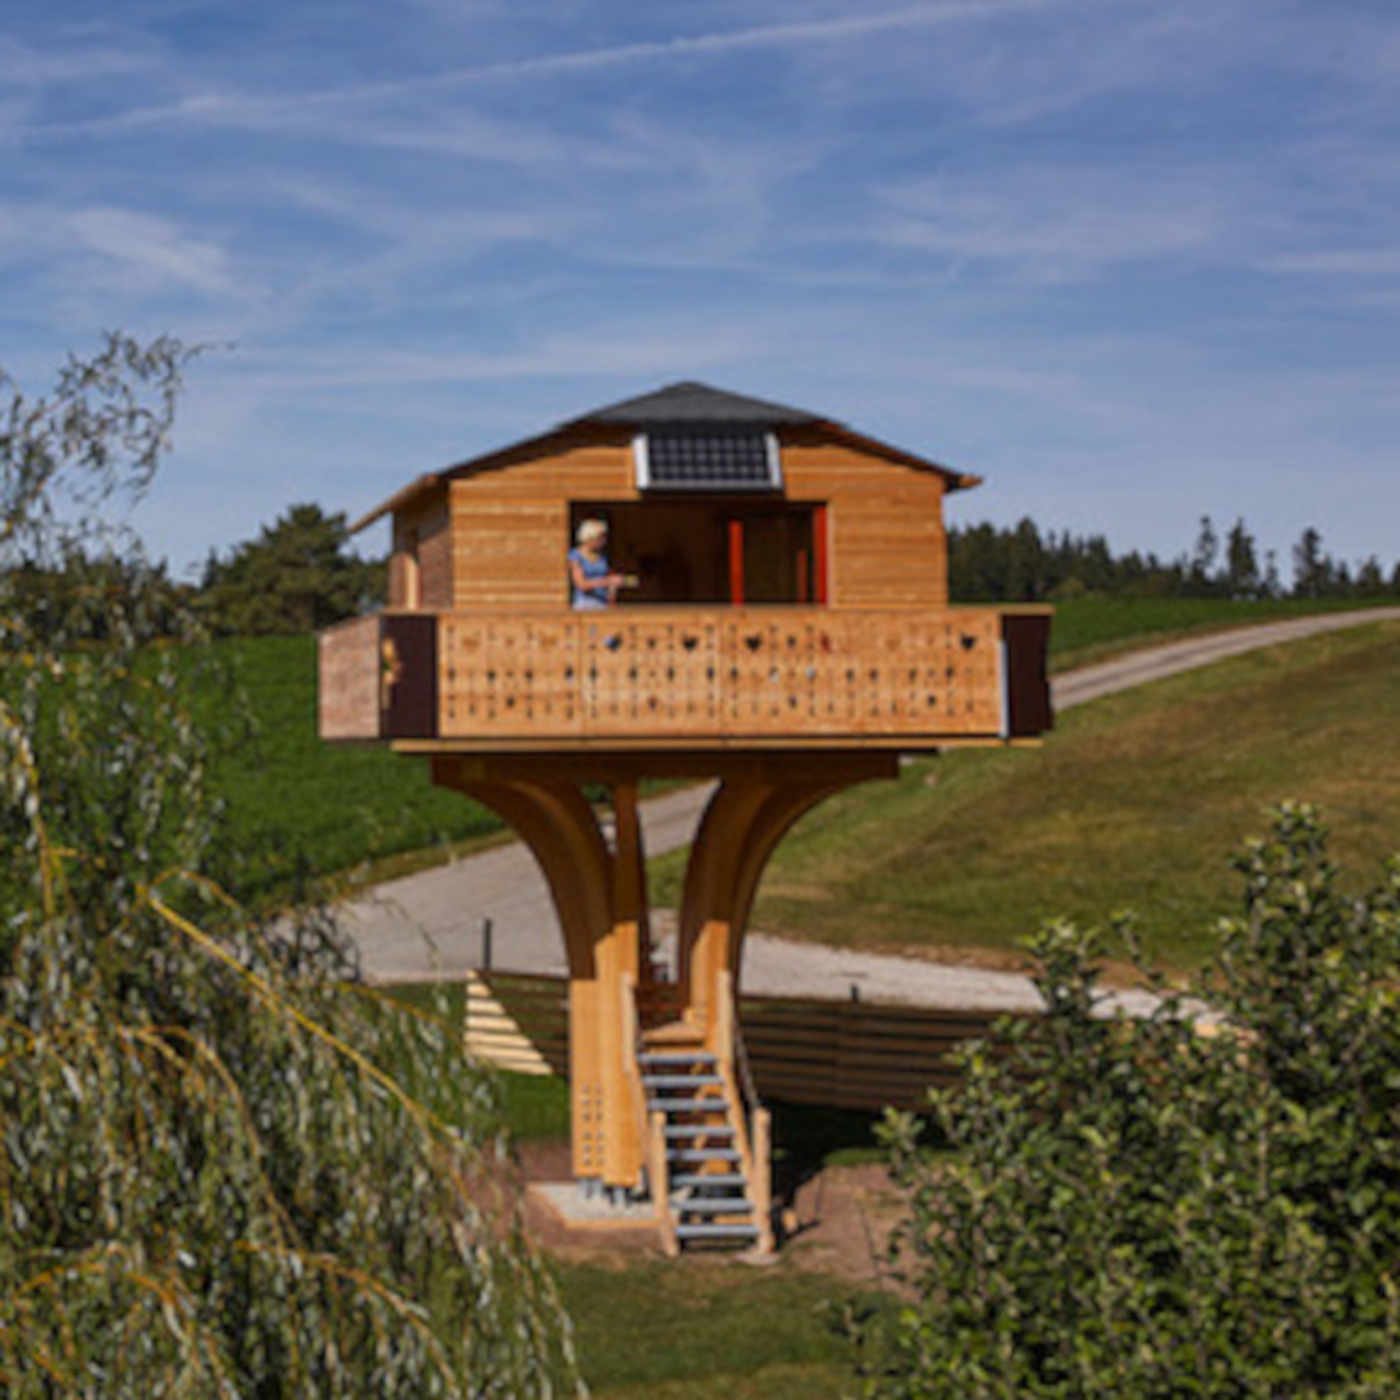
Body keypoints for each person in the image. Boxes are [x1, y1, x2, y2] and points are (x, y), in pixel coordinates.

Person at [567, 519, 626, 610]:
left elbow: (609, 576)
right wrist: (606, 581)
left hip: (603, 602)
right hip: (584, 603)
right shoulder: (575, 556)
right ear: (590, 538)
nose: (603, 541)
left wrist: (613, 586)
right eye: (599, 538)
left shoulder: (602, 557)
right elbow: (581, 584)